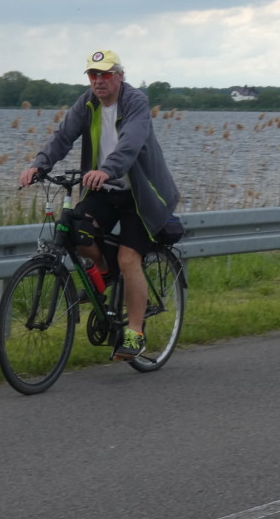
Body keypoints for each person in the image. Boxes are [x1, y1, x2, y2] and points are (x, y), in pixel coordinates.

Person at [19, 50, 180, 359]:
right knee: (77, 232)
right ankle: (105, 273)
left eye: (105, 74)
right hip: (104, 189)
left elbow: (130, 142)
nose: (98, 81)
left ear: (120, 76)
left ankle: (134, 333)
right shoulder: (87, 103)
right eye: (93, 75)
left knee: (129, 259)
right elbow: (63, 137)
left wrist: (107, 169)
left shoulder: (135, 102)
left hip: (142, 195)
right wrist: (39, 165)